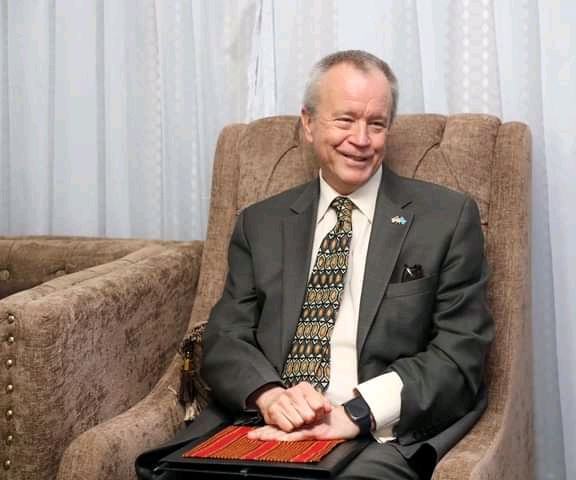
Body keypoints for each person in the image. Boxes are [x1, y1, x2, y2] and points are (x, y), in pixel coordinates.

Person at [136, 49, 494, 480]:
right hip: (266, 423)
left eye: (376, 124)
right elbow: (226, 336)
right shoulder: (260, 223)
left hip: (375, 433)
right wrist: (270, 397)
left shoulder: (445, 218)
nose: (361, 139)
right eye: (345, 120)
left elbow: (460, 352)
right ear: (308, 123)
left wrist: (356, 413)